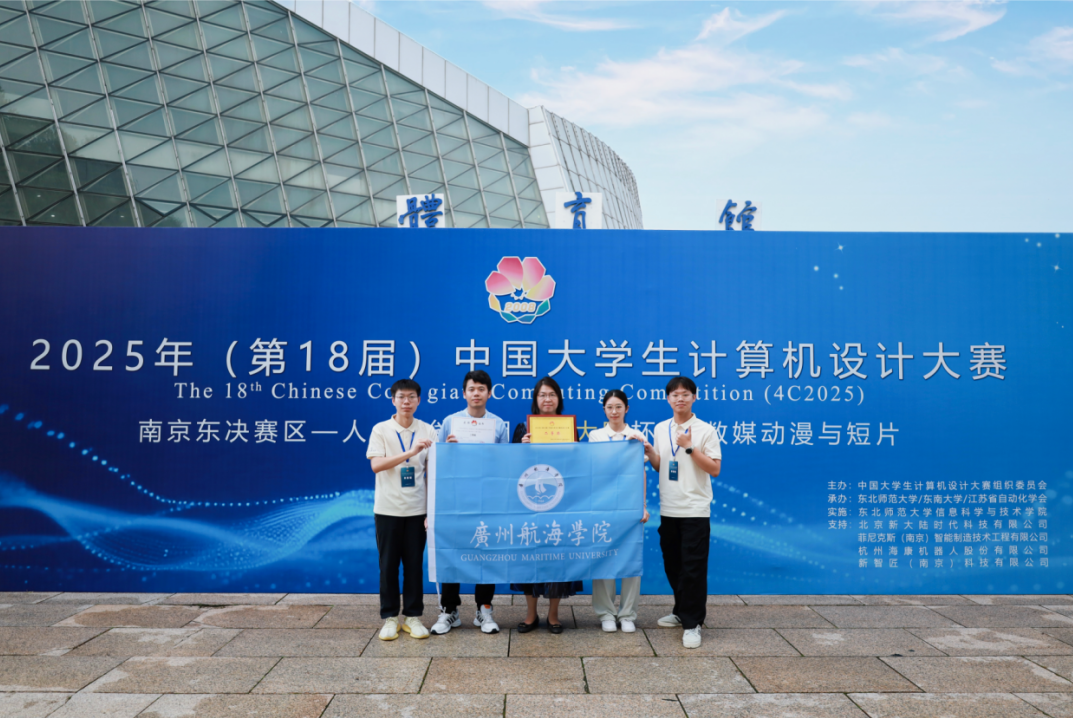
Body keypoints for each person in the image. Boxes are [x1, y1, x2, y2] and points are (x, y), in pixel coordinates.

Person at [431, 369, 510, 635]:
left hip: (488, 499)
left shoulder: (499, 425)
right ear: (463, 393)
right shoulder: (450, 422)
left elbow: (505, 466)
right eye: (472, 389)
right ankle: (449, 610)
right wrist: (449, 450)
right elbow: (438, 463)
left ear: (489, 393)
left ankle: (484, 610)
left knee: (486, 552)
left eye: (481, 389)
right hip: (456, 499)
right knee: (452, 551)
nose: (476, 393)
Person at [649, 376, 722, 649]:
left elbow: (714, 468)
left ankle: (692, 624)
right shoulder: (660, 428)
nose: (680, 398)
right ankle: (681, 611)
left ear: (694, 397)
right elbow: (662, 466)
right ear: (667, 398)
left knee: (693, 568)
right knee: (674, 564)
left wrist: (690, 447)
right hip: (668, 508)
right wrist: (650, 452)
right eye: (675, 394)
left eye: (685, 394)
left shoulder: (706, 430)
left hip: (695, 509)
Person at [510, 376, 582, 634]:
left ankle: (553, 615)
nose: (547, 399)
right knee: (530, 557)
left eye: (552, 394)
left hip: (560, 502)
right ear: (536, 399)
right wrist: (521, 448)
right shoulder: (522, 428)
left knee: (557, 557)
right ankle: (531, 614)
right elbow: (510, 467)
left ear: (559, 399)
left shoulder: (569, 428)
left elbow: (576, 465)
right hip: (529, 502)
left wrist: (575, 449)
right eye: (542, 395)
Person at [366, 378, 435, 641]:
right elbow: (376, 465)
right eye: (401, 397)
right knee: (388, 566)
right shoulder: (381, 429)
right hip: (387, 509)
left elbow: (433, 472)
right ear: (393, 400)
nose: (406, 401)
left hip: (417, 510)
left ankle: (413, 617)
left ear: (419, 400)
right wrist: (410, 451)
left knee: (414, 566)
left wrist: (430, 511)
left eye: (411, 397)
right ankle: (390, 618)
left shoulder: (428, 430)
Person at [587, 389, 656, 633]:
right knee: (603, 556)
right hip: (603, 504)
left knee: (631, 557)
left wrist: (643, 506)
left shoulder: (637, 435)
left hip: (630, 504)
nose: (614, 411)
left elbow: (641, 473)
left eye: (618, 407)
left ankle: (627, 614)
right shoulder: (596, 436)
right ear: (604, 410)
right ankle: (606, 613)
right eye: (609, 407)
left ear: (627, 409)